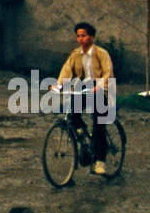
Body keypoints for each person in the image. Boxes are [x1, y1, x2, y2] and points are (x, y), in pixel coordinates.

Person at [50, 21, 116, 176]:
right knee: (72, 115)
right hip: (83, 88)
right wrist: (58, 85)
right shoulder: (75, 55)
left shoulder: (101, 53)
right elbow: (66, 71)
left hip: (100, 89)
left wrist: (99, 86)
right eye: (78, 36)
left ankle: (100, 161)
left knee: (99, 124)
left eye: (84, 35)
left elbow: (108, 73)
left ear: (92, 37)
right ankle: (82, 136)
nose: (81, 39)